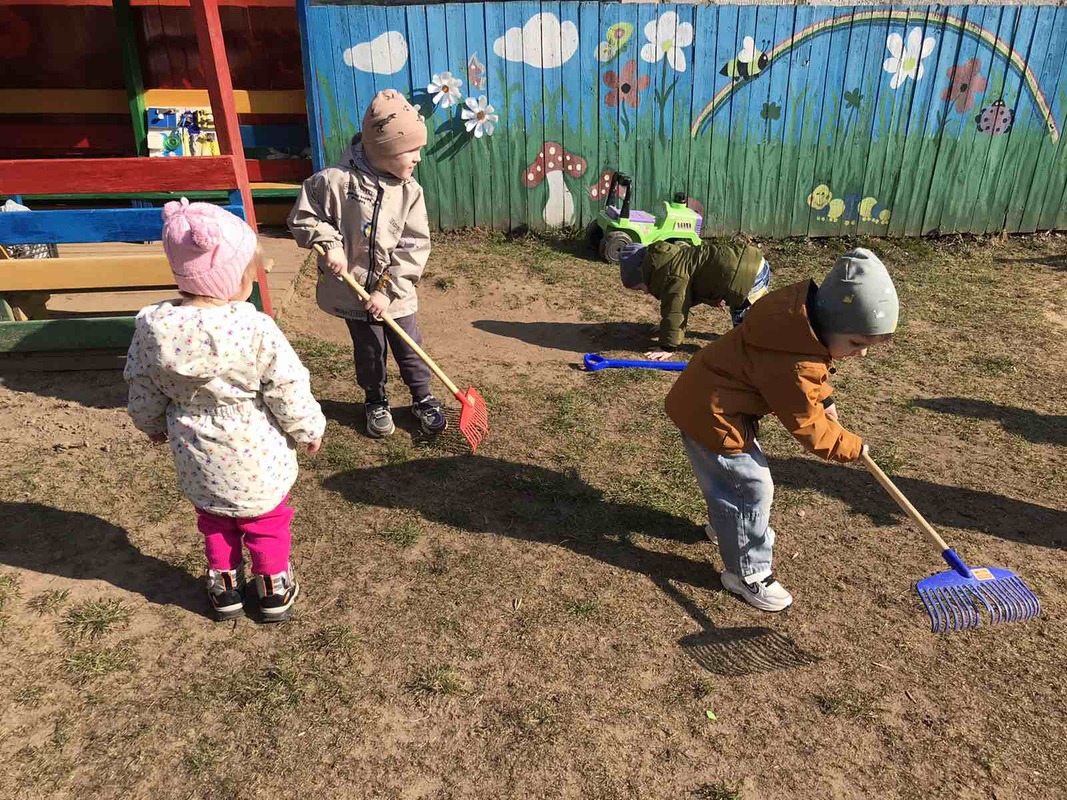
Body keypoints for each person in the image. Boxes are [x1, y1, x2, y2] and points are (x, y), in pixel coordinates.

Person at [664, 248, 898, 612]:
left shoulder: (794, 320)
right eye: (856, 343)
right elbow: (808, 425)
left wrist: (824, 397)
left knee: (731, 484)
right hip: (713, 415)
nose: (861, 354)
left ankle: (729, 527)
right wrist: (852, 446)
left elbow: (812, 371)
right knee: (750, 487)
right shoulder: (794, 363)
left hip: (707, 397)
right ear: (827, 321)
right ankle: (748, 572)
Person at [125, 199, 326, 623]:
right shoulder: (254, 328)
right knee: (266, 519)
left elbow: (141, 383)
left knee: (215, 519)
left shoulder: (152, 331)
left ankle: (225, 587)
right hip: (254, 449)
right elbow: (286, 385)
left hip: (195, 450)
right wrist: (308, 428)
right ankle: (273, 587)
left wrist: (149, 423)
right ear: (233, 279)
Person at [288, 89, 444, 439]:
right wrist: (329, 244)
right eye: (411, 151)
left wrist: (387, 291)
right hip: (354, 292)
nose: (419, 158)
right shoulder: (333, 182)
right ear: (384, 150)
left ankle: (423, 398)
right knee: (369, 352)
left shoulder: (410, 192)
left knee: (410, 348)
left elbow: (414, 246)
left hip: (396, 294)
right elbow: (303, 217)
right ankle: (375, 400)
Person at [618, 240, 772, 359]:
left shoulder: (672, 275)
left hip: (746, 274)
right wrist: (714, 296)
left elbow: (676, 308)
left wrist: (667, 346)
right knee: (751, 312)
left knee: (745, 324)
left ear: (644, 274)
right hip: (751, 260)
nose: (644, 293)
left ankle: (755, 353)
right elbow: (699, 281)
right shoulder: (672, 258)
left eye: (640, 288)